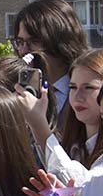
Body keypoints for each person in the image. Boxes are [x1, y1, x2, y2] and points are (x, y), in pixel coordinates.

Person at [24, 49, 103, 186]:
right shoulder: (73, 146)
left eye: (88, 88)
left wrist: (39, 125)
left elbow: (81, 190)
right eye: (72, 87)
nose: (78, 97)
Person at [13, 0, 90, 116]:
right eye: (20, 42)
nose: (23, 51)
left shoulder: (89, 92)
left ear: (61, 41)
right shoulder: (20, 93)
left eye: (34, 41)